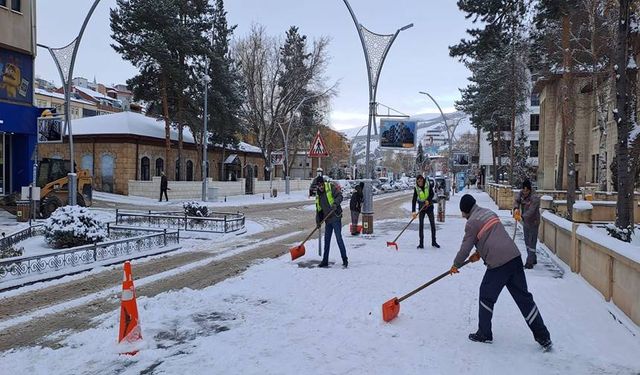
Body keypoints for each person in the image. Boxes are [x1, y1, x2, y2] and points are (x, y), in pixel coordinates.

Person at [450, 194, 552, 351]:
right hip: (514, 257)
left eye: (462, 212)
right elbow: (491, 235)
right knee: (524, 299)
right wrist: (480, 252)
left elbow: (465, 247)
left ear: (465, 210)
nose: (463, 215)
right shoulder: (488, 212)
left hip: (498, 264)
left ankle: (484, 333)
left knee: (486, 294)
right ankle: (543, 336)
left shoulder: (471, 223)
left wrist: (456, 265)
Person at [315, 176, 348, 268]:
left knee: (338, 239)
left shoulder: (330, 187)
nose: (321, 187)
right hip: (328, 220)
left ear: (323, 183)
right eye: (319, 185)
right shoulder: (318, 195)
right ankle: (325, 260)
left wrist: (335, 204)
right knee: (327, 240)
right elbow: (319, 210)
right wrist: (318, 222)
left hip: (336, 217)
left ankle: (345, 259)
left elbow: (340, 196)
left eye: (321, 184)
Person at [513, 179, 541, 269]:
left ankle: (529, 262)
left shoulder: (535, 197)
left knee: (532, 242)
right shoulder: (521, 193)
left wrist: (522, 217)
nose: (525, 192)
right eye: (523, 190)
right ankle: (533, 257)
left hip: (534, 221)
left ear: (529, 189)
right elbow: (516, 200)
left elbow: (531, 211)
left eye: (526, 191)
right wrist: (516, 209)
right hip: (526, 222)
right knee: (527, 241)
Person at [411, 175, 439, 249]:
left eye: (421, 181)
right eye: (418, 181)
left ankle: (434, 242)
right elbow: (414, 200)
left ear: (423, 180)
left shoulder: (427, 185)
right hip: (421, 208)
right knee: (421, 226)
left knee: (432, 224)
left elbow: (432, 194)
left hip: (429, 207)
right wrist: (413, 212)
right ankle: (421, 244)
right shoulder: (416, 188)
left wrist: (428, 200)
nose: (420, 182)